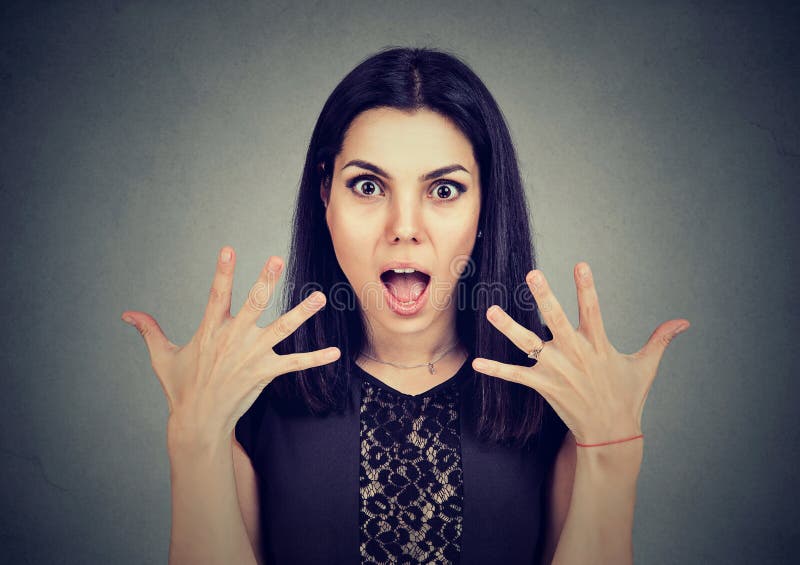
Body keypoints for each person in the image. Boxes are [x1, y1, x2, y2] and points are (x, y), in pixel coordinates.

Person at [121, 46, 690, 565]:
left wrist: (613, 453)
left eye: (444, 190)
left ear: (485, 203)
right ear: (326, 194)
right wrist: (194, 440)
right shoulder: (250, 406)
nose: (405, 228)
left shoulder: (556, 405)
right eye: (368, 186)